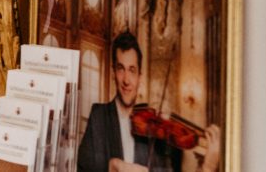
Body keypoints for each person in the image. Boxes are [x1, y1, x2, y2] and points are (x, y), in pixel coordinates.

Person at [77, 32, 222, 172]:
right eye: (121, 69)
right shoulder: (99, 116)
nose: (126, 80)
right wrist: (112, 166)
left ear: (140, 76)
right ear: (114, 72)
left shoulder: (155, 129)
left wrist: (206, 168)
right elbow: (82, 169)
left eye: (132, 70)